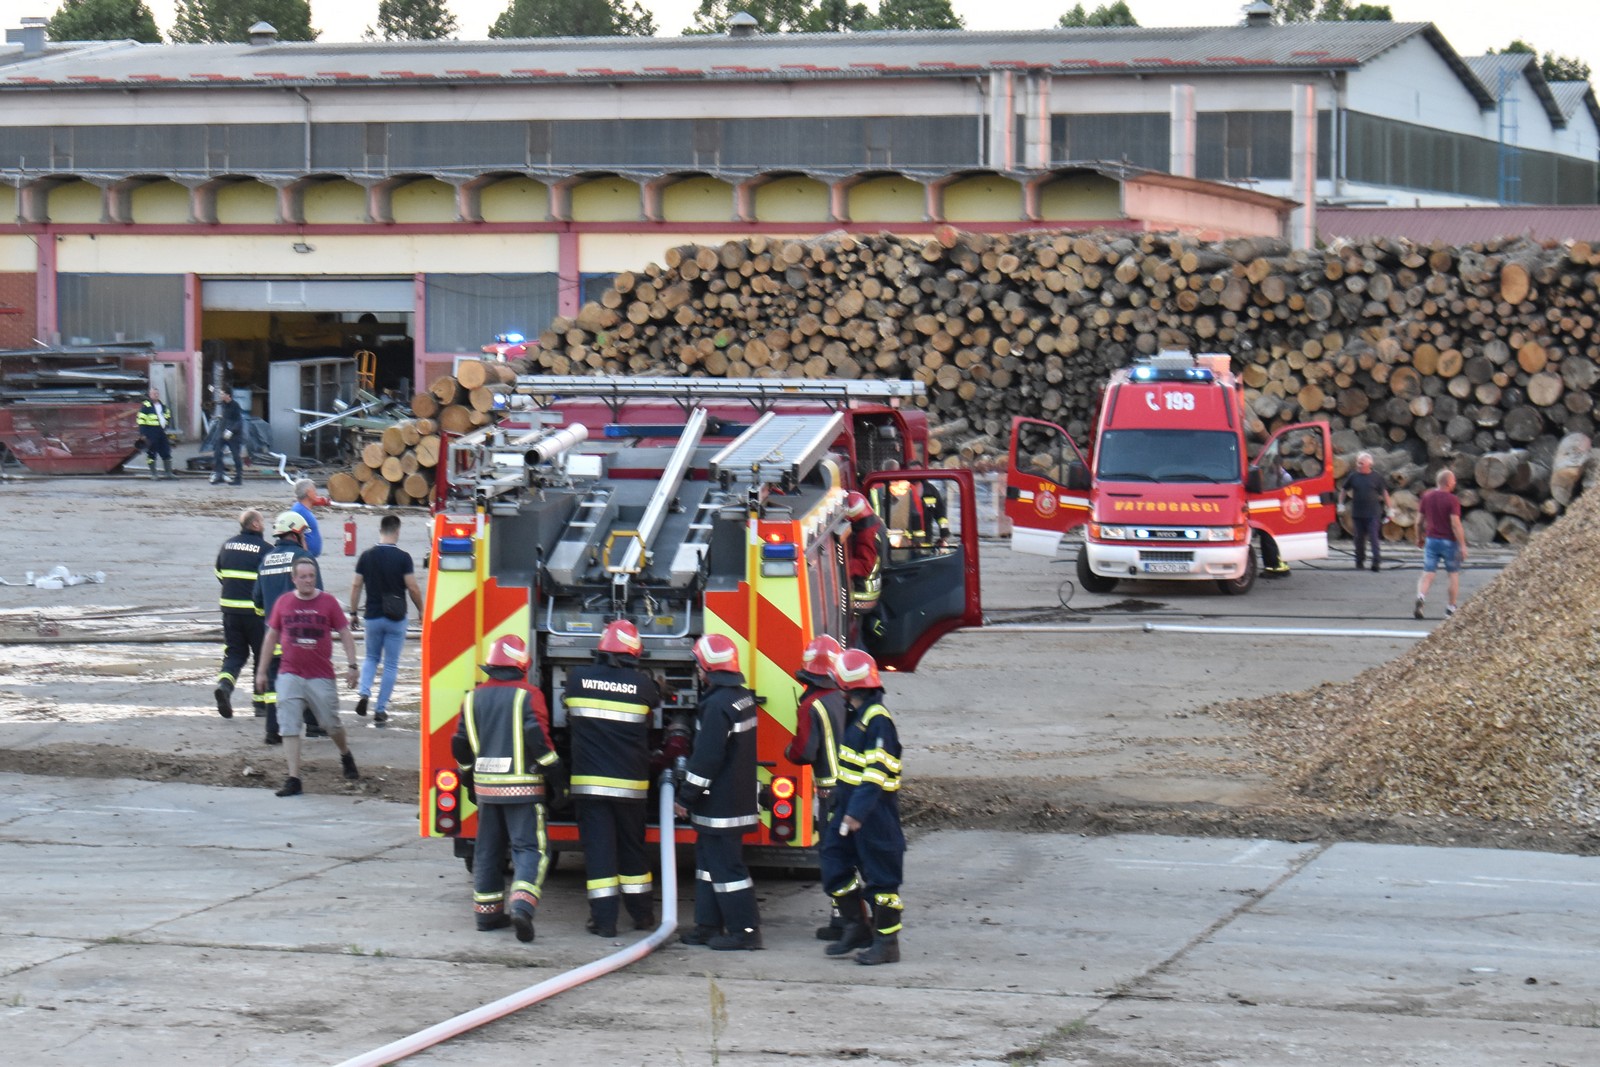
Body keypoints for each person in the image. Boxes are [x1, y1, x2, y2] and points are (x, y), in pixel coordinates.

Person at [452, 634, 558, 942]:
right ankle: (522, 907)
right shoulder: (529, 695)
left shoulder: (472, 697)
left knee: (487, 850)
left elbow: (460, 743)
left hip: (487, 789)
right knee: (531, 849)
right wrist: (557, 777)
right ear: (523, 665)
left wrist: (468, 779)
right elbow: (538, 740)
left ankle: (487, 916)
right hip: (523, 788)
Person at [563, 620, 662, 938]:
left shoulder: (576, 679)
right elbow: (655, 707)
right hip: (630, 788)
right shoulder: (643, 685)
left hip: (590, 787)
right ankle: (642, 916)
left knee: (600, 852)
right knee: (633, 849)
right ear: (634, 654)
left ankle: (604, 923)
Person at [674, 633, 762, 951]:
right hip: (732, 800)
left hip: (720, 805)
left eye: (699, 665)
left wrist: (685, 798)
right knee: (708, 867)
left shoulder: (715, 706)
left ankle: (746, 932)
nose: (697, 672)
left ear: (708, 667)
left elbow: (707, 758)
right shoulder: (741, 698)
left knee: (727, 869)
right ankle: (707, 926)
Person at [821, 647, 905, 966]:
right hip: (847, 809)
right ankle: (857, 926)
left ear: (847, 686)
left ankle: (887, 944)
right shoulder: (858, 716)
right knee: (833, 862)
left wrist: (856, 813)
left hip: (873, 815)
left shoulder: (878, 721)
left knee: (882, 880)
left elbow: (875, 774)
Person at [256, 558, 360, 797]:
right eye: (303, 576)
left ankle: (345, 754)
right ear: (294, 579)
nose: (308, 580)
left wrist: (352, 665)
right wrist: (261, 671)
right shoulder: (284, 603)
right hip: (289, 674)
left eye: (311, 576)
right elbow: (271, 637)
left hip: (320, 675)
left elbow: (345, 633)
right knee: (289, 724)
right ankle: (294, 778)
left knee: (330, 722)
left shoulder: (328, 602)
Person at [785, 633, 849, 941]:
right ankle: (842, 919)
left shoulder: (811, 704)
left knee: (833, 857)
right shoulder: (843, 698)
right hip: (852, 789)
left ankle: (845, 921)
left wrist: (787, 751)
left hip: (830, 793)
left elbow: (803, 753)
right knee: (848, 856)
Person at [348, 514, 423, 725]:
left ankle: (364, 692)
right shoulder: (403, 557)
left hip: (372, 617)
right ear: (397, 532)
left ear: (380, 531)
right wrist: (421, 610)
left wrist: (353, 612)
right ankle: (380, 709)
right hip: (396, 617)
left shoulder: (366, 556)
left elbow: (356, 586)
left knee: (371, 658)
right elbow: (412, 587)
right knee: (391, 665)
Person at [255, 511, 321, 745]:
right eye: (303, 533)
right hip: (300, 636)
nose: (306, 538)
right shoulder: (304, 559)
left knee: (274, 685)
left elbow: (258, 601)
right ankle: (314, 726)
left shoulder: (266, 560)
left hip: (272, 636)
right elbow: (317, 596)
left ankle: (273, 731)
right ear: (295, 534)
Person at [213, 509, 269, 720]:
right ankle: (260, 704)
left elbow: (219, 574)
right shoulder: (265, 549)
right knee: (261, 655)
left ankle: (225, 686)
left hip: (229, 611)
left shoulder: (227, 545)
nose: (264, 525)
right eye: (262, 521)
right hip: (255, 612)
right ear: (254, 524)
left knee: (234, 653)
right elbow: (268, 580)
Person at [1415, 468, 1467, 619]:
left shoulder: (1427, 497)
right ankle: (1451, 607)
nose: (1455, 483)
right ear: (1449, 482)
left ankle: (1421, 597)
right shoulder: (1452, 500)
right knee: (1453, 575)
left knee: (1428, 573)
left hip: (1431, 540)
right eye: (1454, 481)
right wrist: (1462, 545)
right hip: (1449, 542)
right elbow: (1455, 524)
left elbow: (1418, 521)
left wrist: (1419, 538)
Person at [1340, 451, 1393, 572]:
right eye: (1358, 463)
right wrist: (1340, 504)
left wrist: (1390, 509)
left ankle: (1376, 562)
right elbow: (1343, 489)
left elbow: (1384, 493)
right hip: (1357, 513)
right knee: (1358, 539)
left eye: (1361, 463)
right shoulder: (1353, 476)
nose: (1358, 465)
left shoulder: (1376, 477)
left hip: (1373, 513)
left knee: (1374, 537)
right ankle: (1359, 561)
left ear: (1369, 464)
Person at [843, 492, 883, 646]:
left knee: (854, 640)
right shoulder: (876, 524)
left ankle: (857, 663)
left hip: (862, 594)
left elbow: (864, 566)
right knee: (857, 636)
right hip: (868, 592)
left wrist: (842, 566)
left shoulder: (867, 534)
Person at [137, 385, 176, 480]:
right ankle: (154, 474)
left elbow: (168, 416)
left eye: (157, 393)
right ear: (150, 395)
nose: (156, 395)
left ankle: (168, 473)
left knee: (166, 451)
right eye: (154, 393)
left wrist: (165, 425)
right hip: (150, 432)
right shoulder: (146, 406)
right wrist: (143, 434)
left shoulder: (163, 406)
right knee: (151, 453)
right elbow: (141, 421)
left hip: (161, 432)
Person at [210, 386, 245, 485]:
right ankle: (219, 475)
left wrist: (231, 431)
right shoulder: (223, 405)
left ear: (228, 395)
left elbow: (239, 421)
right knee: (217, 453)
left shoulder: (235, 406)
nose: (221, 395)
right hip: (223, 434)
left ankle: (238, 478)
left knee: (236, 456)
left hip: (234, 436)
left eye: (222, 394)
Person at [291, 479, 324, 557]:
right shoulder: (299, 511)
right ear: (308, 493)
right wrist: (305, 555)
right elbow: (296, 534)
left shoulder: (303, 509)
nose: (316, 493)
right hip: (304, 558)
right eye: (314, 490)